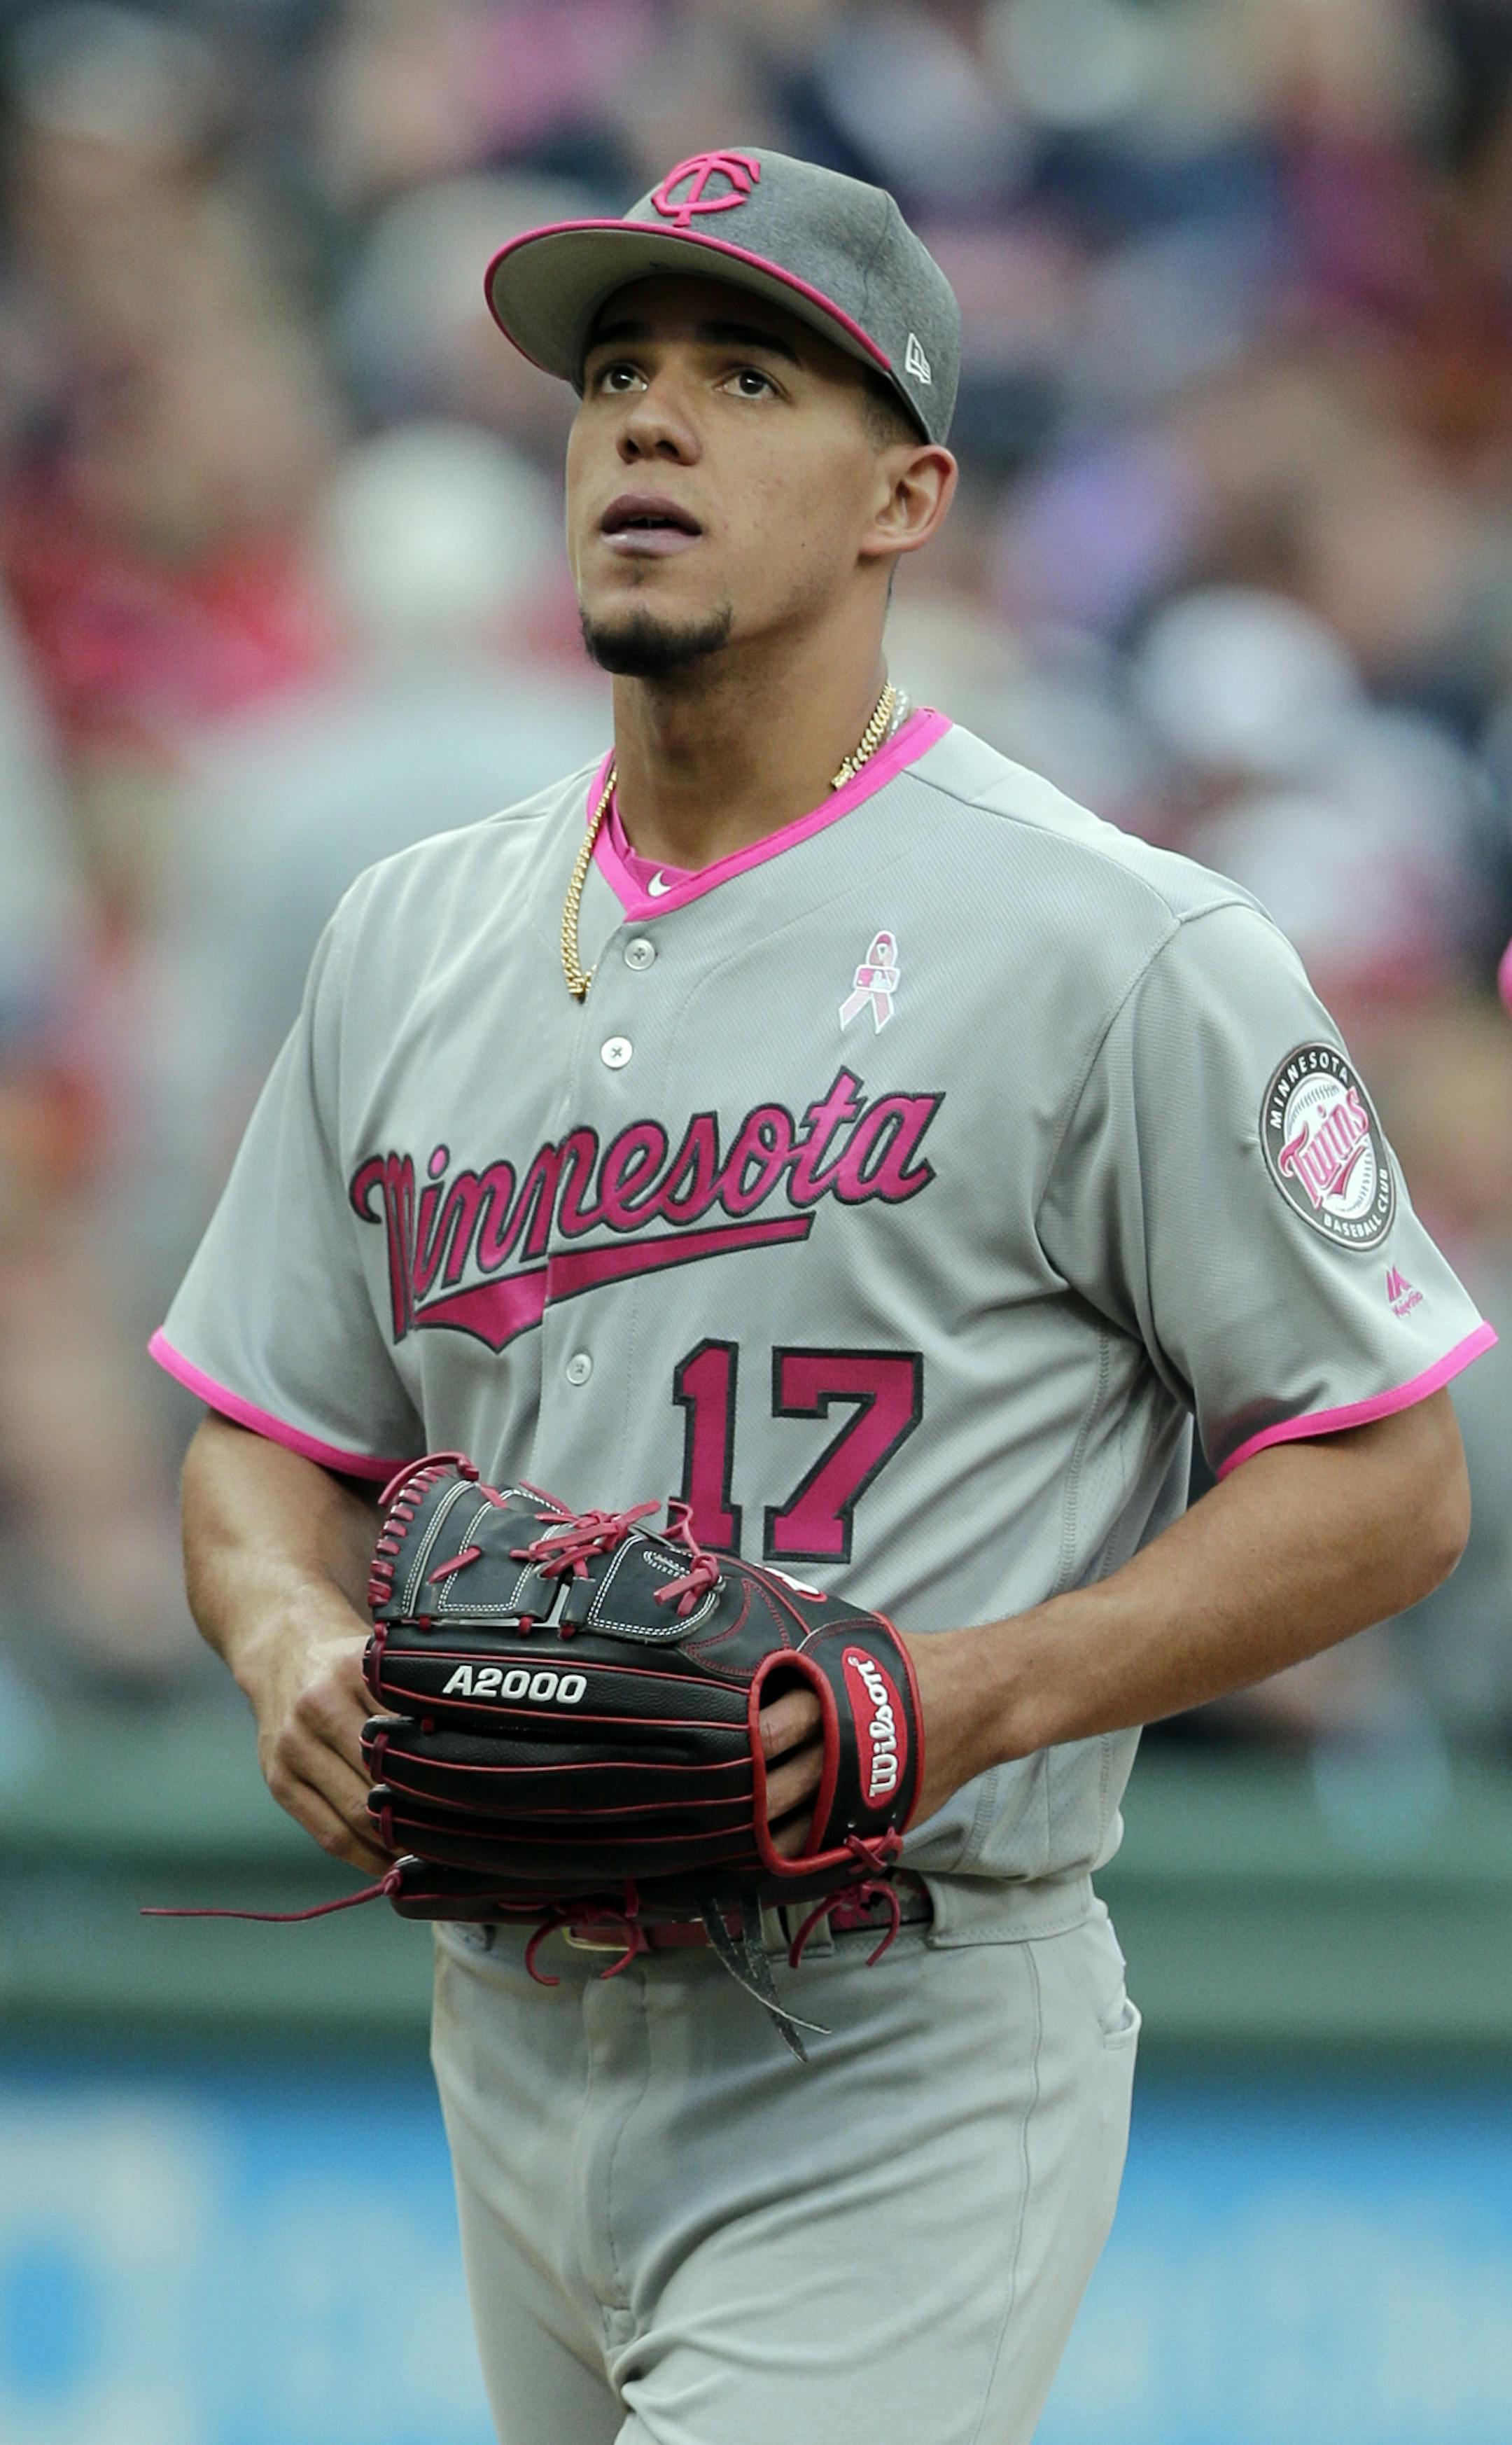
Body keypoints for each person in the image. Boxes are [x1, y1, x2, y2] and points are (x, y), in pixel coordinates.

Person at [153, 149, 1490, 2445]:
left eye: (745, 377)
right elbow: (264, 1425)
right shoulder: (412, 931)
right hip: (510, 2012)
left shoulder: (1122, 945)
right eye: (618, 377)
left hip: (897, 2023)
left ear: (907, 494)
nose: (648, 426)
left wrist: (962, 1695)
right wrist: (288, 1644)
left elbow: (1391, 1479)